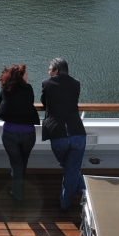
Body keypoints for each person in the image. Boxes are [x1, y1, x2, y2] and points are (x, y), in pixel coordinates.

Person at [41, 58, 87, 211]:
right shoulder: (76, 83)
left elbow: (44, 102)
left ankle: (65, 203)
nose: (48, 72)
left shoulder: (47, 83)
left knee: (69, 168)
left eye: (50, 69)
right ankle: (83, 192)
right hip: (77, 133)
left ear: (56, 71)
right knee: (71, 168)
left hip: (58, 133)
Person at [0, 64, 40, 201]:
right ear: (21, 77)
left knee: (16, 164)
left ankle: (17, 193)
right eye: (25, 74)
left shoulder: (6, 90)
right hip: (29, 133)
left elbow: (0, 103)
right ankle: (18, 188)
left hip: (10, 133)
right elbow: (29, 102)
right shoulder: (28, 89)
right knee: (23, 162)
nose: (27, 76)